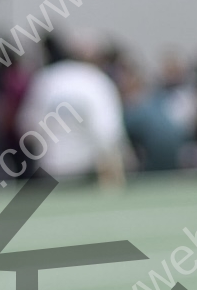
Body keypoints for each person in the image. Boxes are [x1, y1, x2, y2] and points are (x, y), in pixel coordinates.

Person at [18, 31, 129, 186]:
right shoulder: (97, 81)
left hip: (50, 170)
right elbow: (107, 131)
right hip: (88, 171)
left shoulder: (46, 79)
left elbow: (28, 127)